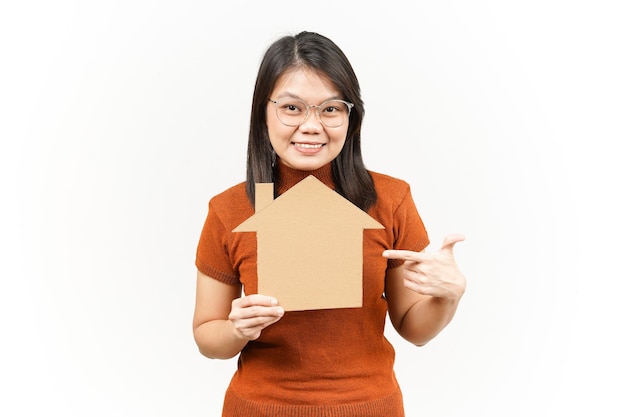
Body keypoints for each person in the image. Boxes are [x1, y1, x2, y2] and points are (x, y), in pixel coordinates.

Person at [193, 31, 466, 417]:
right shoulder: (228, 209)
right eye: (292, 108)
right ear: (263, 113)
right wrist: (236, 330)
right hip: (258, 408)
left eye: (330, 109)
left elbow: (414, 329)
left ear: (350, 118)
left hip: (371, 407)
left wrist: (449, 294)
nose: (311, 125)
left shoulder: (391, 200)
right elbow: (207, 336)